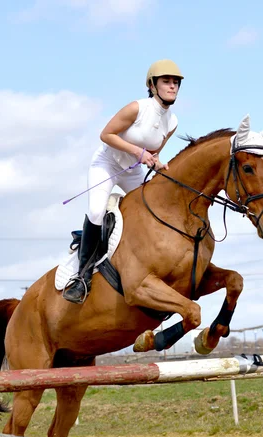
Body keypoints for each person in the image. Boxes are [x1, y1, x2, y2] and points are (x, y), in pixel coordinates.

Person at [63, 59, 183, 304]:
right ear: (152, 85)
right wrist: (140, 154)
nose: (172, 86)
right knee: (97, 212)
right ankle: (81, 277)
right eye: (166, 81)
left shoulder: (172, 122)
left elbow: (155, 151)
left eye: (175, 83)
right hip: (106, 164)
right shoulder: (136, 109)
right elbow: (106, 135)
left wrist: (158, 162)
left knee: (152, 213)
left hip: (132, 171)